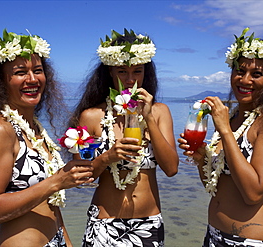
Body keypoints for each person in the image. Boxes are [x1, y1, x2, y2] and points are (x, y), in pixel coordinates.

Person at [0, 29, 95, 247]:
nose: (32, 79)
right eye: (20, 72)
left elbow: (50, 204)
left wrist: (67, 243)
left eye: (38, 70)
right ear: (0, 81)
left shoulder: (36, 130)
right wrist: (57, 181)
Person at [178, 28, 263, 246]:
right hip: (213, 235)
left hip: (249, 241)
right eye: (239, 71)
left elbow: (254, 193)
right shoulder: (233, 119)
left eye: (256, 74)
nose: (245, 79)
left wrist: (224, 131)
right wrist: (201, 158)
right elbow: (215, 186)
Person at [68, 29, 179, 246]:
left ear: (146, 73)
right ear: (110, 72)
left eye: (137, 72)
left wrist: (148, 117)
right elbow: (80, 178)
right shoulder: (91, 117)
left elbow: (171, 168)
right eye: (122, 72)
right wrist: (107, 157)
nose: (130, 80)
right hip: (104, 225)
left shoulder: (160, 112)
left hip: (148, 225)